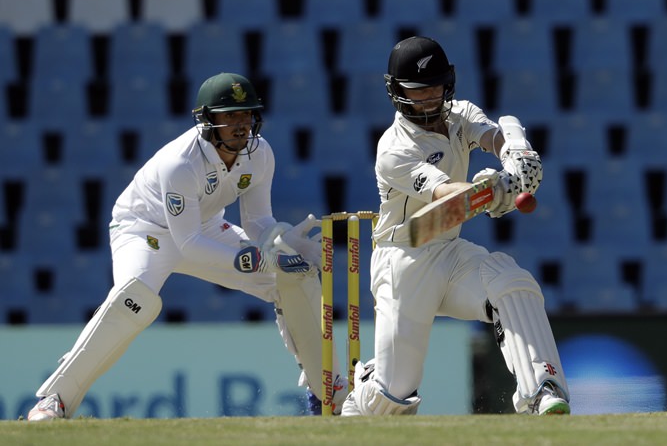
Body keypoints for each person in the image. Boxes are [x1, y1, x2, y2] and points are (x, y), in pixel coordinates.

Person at [27, 73, 347, 421]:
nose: (241, 125)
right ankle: (54, 399)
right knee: (134, 300)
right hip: (144, 230)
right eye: (230, 116)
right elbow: (189, 246)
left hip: (204, 225)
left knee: (293, 278)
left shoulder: (261, 153)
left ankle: (327, 393)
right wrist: (260, 260)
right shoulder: (180, 163)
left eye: (246, 115)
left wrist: (280, 241)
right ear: (209, 121)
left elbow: (257, 222)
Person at [341, 37, 570, 416]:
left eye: (434, 87)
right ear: (396, 92)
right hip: (404, 260)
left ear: (448, 83)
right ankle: (367, 386)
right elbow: (448, 196)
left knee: (512, 282)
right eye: (417, 91)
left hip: (448, 250)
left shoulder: (459, 113)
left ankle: (540, 391)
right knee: (394, 400)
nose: (429, 97)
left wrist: (516, 154)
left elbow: (492, 135)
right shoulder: (393, 149)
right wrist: (495, 189)